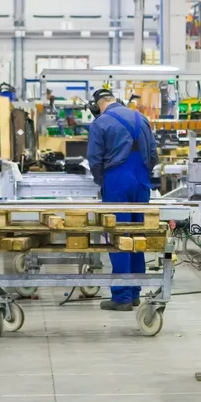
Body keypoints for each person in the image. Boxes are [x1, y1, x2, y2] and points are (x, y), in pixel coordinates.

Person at [86, 88, 159, 312]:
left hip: (117, 181)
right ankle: (135, 291)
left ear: (98, 105)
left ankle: (122, 296)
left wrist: (103, 182)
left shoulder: (100, 123)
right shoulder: (142, 118)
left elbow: (94, 159)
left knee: (117, 237)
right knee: (137, 236)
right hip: (142, 182)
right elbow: (154, 154)